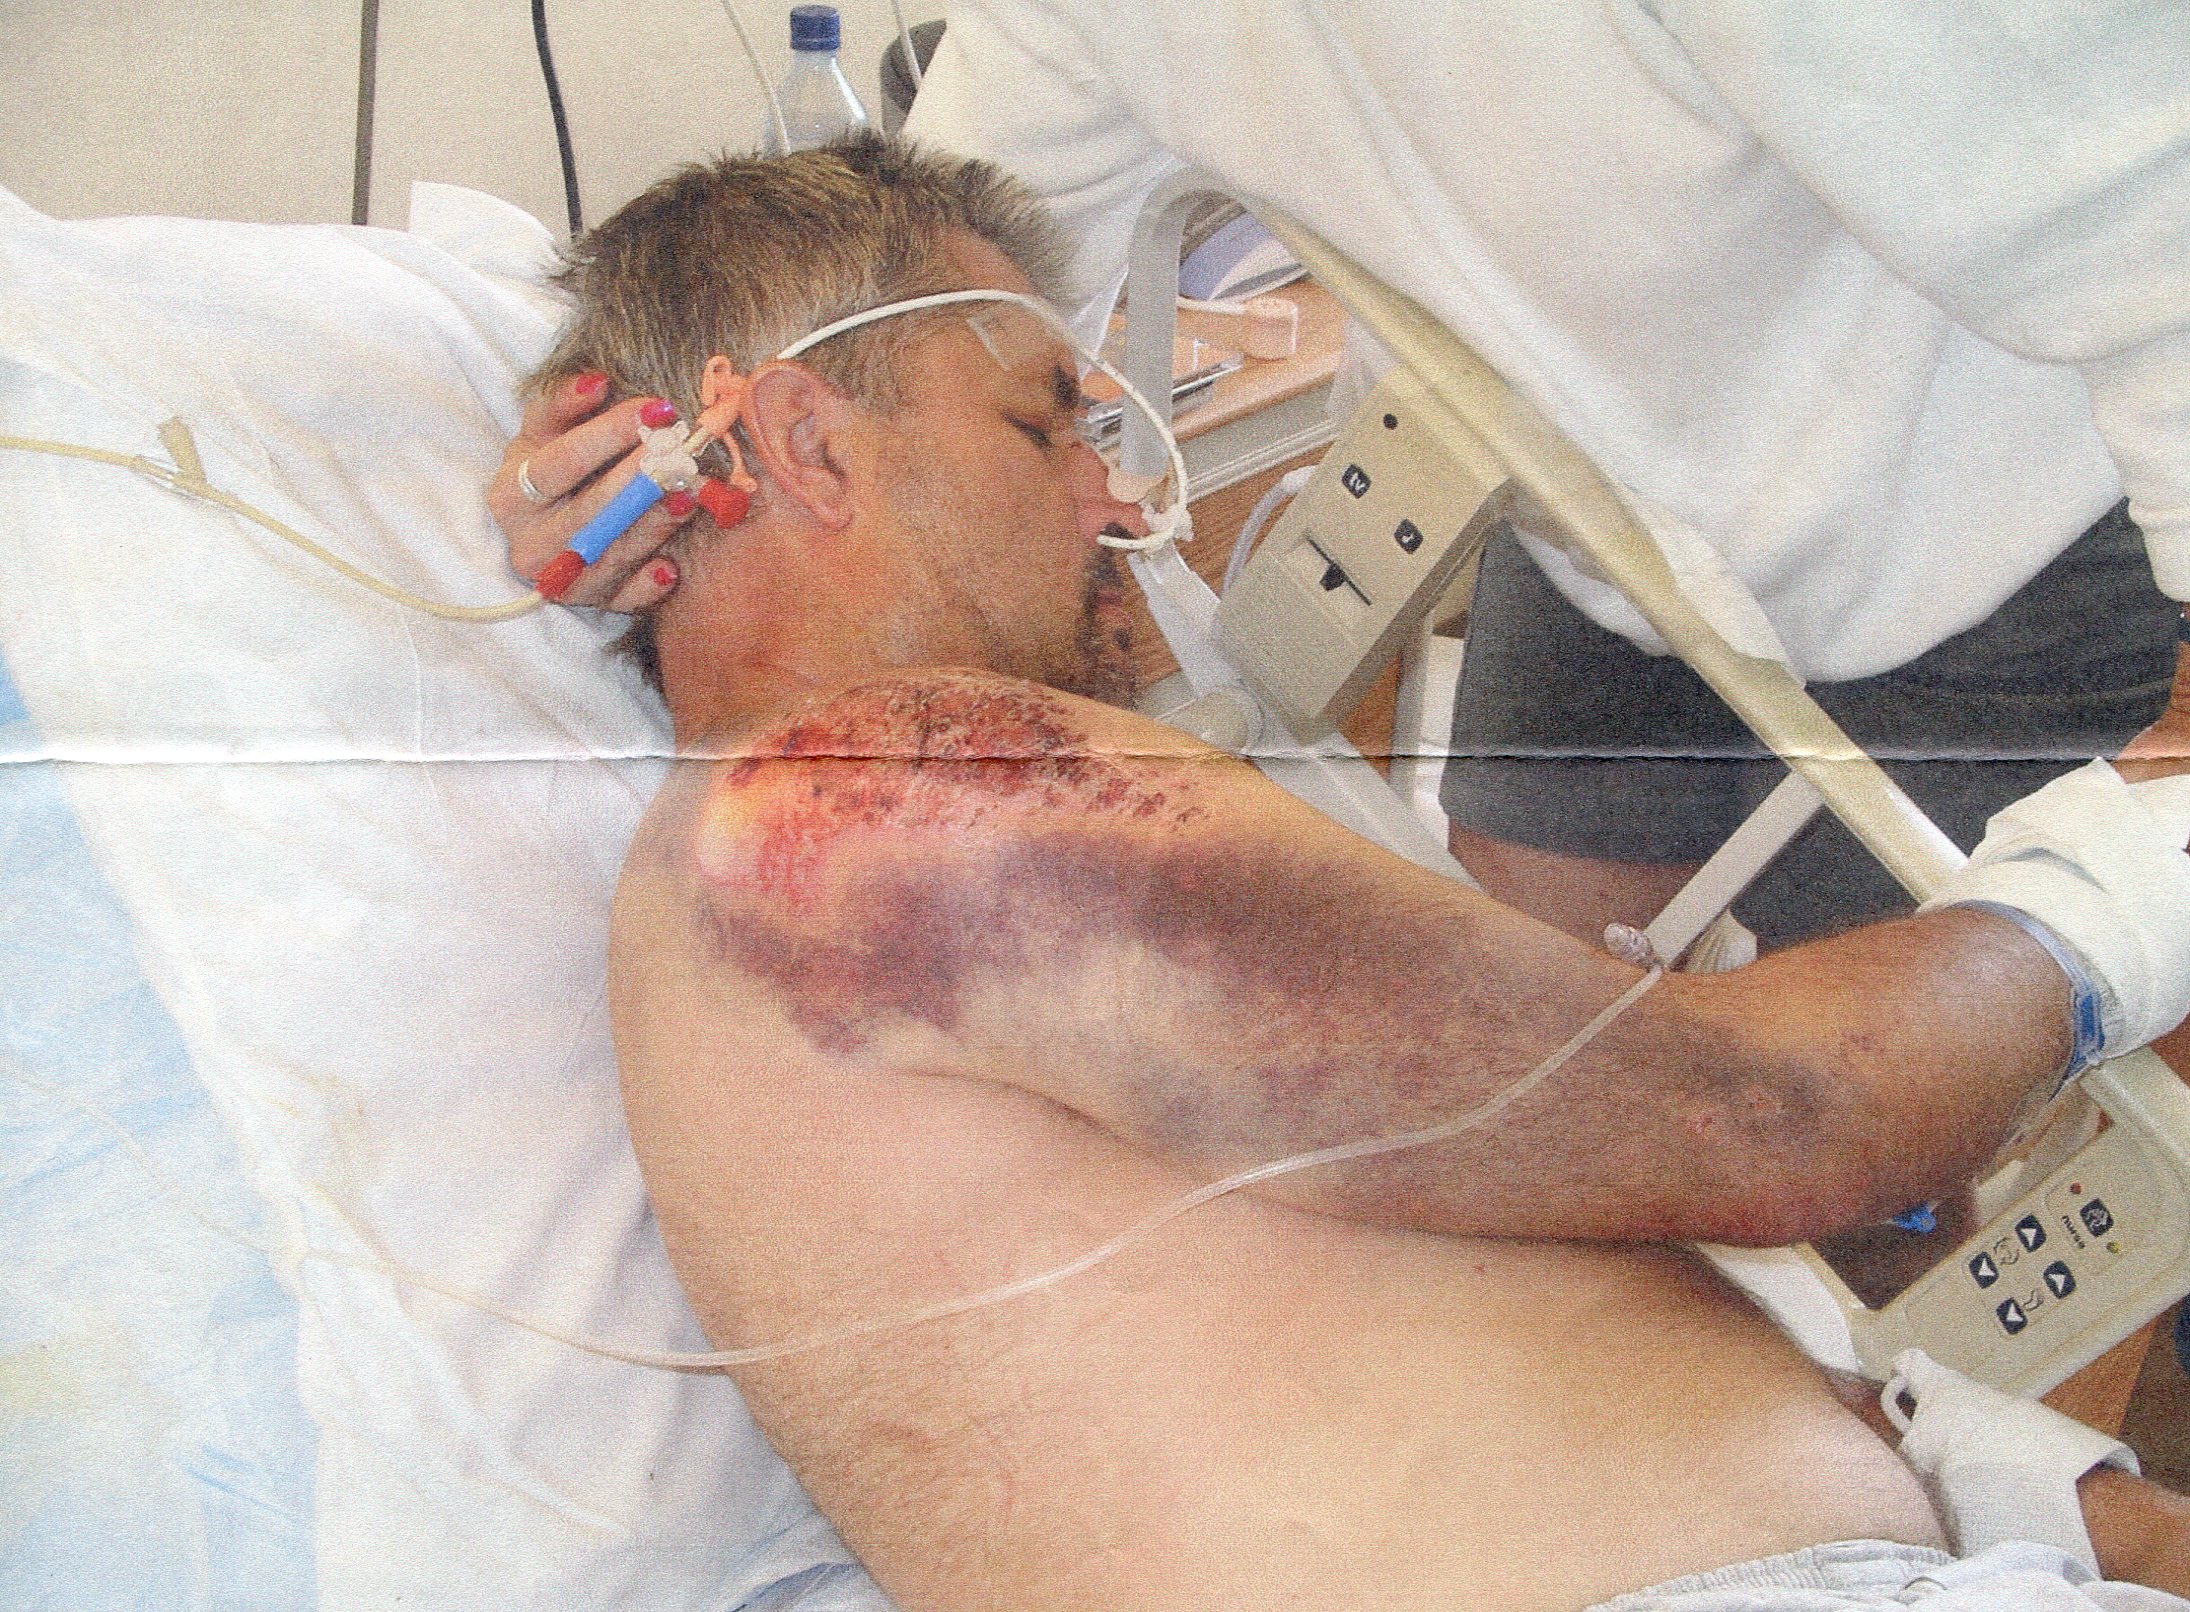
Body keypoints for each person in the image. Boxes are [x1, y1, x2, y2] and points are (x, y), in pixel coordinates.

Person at [492, 136, 2190, 1611]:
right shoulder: (871, 802)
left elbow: (1476, 1307)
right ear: (800, 443)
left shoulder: (845, 857)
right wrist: (2135, 860)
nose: (1117, 502)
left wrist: (2019, 1497)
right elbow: (1779, 1117)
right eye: (1041, 425)